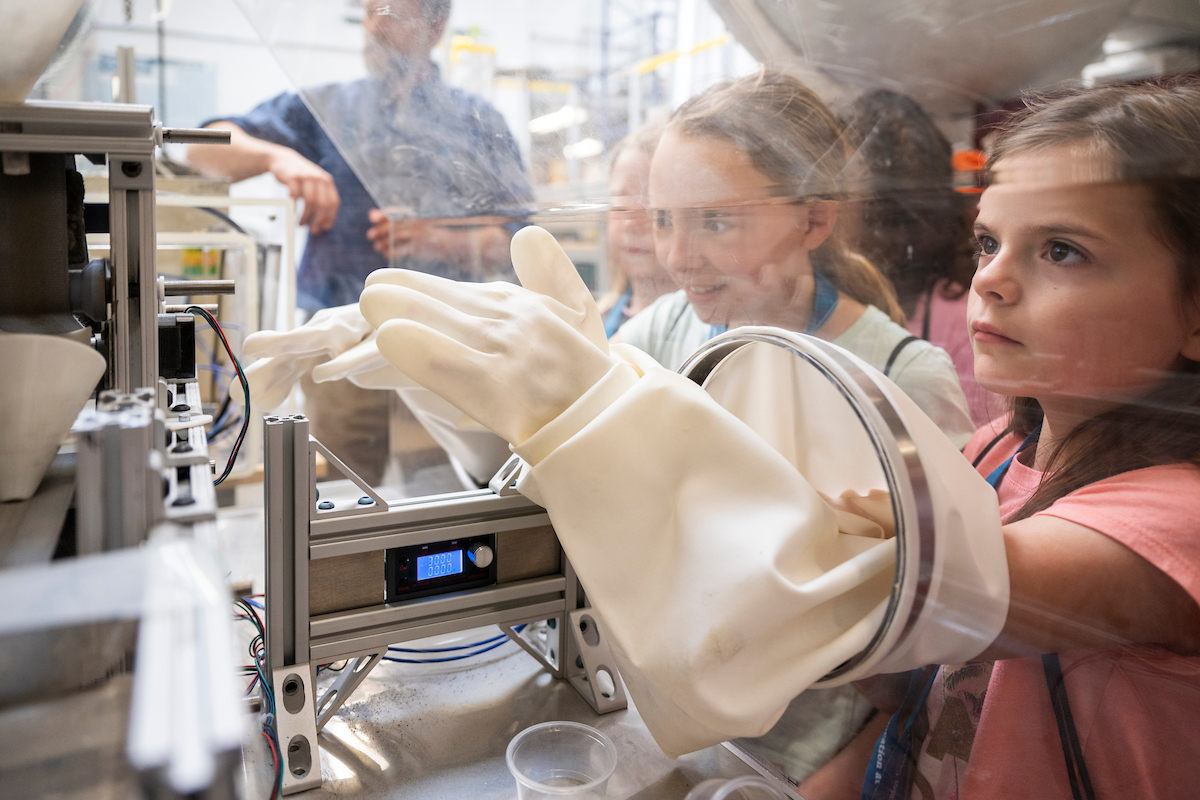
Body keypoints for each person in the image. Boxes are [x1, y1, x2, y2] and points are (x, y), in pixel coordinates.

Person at [355, 76, 1200, 798]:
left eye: (1062, 250)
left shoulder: (1177, 520)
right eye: (988, 241)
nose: (991, 278)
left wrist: (595, 411)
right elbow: (895, 679)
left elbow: (908, 602)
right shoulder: (991, 456)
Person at [187, 0, 533, 484]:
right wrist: (278, 158)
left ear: (436, 25)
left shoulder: (477, 121)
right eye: (369, 11)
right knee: (342, 501)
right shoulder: (326, 108)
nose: (374, 25)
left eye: (391, 11)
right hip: (341, 354)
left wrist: (438, 239)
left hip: (447, 355)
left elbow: (520, 241)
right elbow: (203, 147)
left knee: (443, 498)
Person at [616, 72, 975, 446]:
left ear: (813, 221)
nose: (676, 258)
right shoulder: (659, 332)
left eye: (716, 222)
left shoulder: (904, 377)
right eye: (662, 219)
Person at [842, 89, 1004, 426]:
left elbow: (978, 461)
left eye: (901, 219)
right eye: (874, 216)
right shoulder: (821, 301)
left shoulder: (965, 324)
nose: (887, 239)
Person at [596, 122, 677, 337]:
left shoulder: (708, 330)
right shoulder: (594, 323)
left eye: (652, 206)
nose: (631, 223)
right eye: (620, 204)